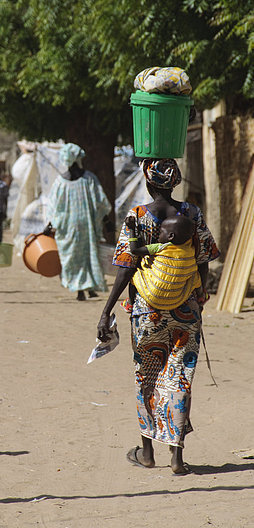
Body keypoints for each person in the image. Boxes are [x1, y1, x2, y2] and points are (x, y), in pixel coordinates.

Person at [97, 158, 219, 474]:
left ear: (148, 183)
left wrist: (106, 310)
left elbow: (125, 268)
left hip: (146, 312)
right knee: (180, 379)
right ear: (174, 183)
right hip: (186, 310)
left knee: (147, 377)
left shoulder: (137, 216)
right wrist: (200, 297)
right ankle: (177, 457)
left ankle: (147, 452)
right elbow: (204, 259)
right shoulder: (192, 215)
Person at [44, 143, 112, 301]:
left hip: (69, 227)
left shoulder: (60, 182)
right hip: (87, 225)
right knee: (89, 255)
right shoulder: (89, 178)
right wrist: (106, 221)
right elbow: (100, 202)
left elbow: (54, 208)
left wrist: (50, 225)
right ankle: (88, 288)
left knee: (73, 257)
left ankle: (81, 290)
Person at [124, 214, 203, 311]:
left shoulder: (160, 247)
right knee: (195, 276)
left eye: (161, 232)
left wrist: (131, 229)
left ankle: (130, 303)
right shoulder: (190, 250)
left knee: (135, 274)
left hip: (153, 296)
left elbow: (135, 250)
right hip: (175, 300)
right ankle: (201, 296)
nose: (158, 235)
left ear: (170, 236)